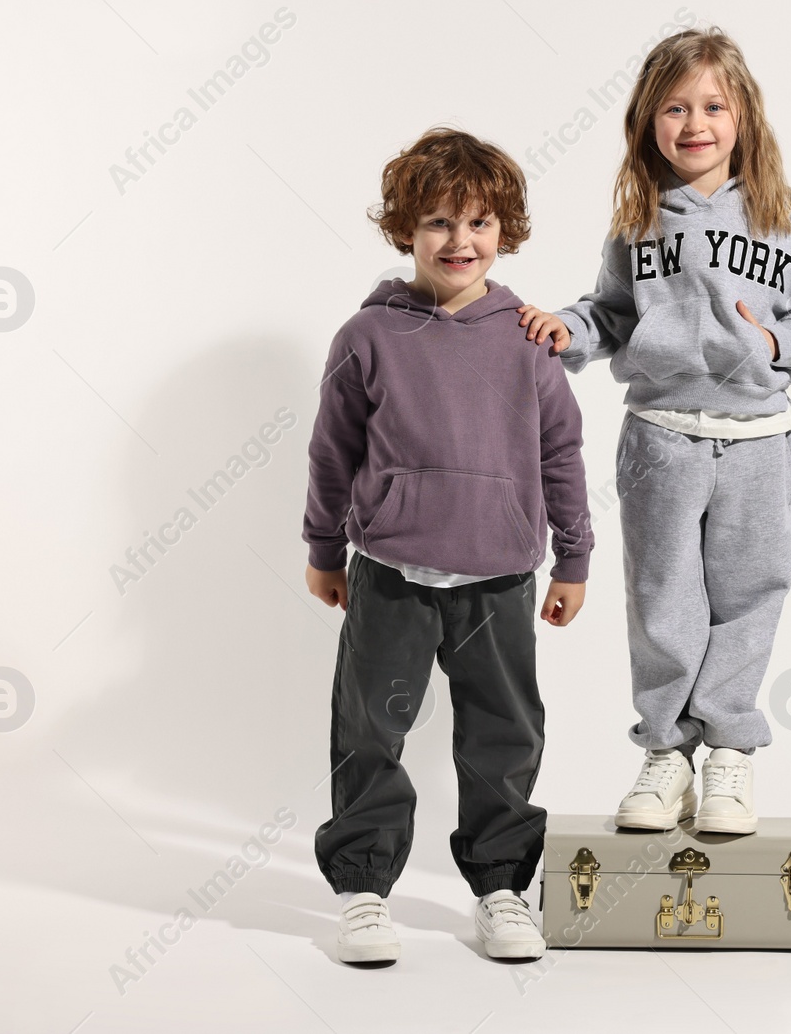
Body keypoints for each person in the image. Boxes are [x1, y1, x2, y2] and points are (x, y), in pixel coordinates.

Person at [516, 27, 791, 835]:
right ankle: (667, 752)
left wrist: (775, 344)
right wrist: (567, 328)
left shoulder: (783, 215)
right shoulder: (637, 224)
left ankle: (730, 750)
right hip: (660, 438)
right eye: (674, 107)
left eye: (711, 106)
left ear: (743, 117)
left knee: (749, 593)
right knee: (663, 599)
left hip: (758, 439)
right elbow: (610, 313)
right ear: (646, 121)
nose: (693, 123)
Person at [303, 127, 593, 964]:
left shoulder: (530, 341)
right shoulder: (368, 336)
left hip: (500, 577)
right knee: (370, 729)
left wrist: (573, 558)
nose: (459, 242)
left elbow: (561, 455)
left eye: (477, 223)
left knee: (504, 732)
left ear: (505, 230)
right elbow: (333, 453)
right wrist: (325, 548)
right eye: (437, 222)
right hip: (390, 570)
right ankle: (363, 889)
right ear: (405, 232)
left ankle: (500, 886)